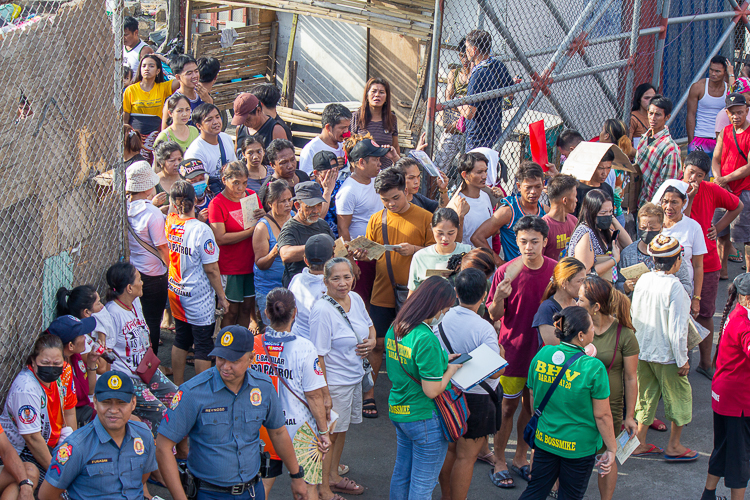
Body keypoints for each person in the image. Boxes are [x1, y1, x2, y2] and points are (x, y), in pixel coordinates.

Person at [156, 325, 309, 500]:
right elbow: (163, 447)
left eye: (234, 360)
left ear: (251, 358)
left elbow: (278, 432)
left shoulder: (264, 387)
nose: (225, 366)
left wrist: (296, 476)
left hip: (252, 491)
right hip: (209, 494)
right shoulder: (193, 392)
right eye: (221, 358)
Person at [354, 167, 435, 418]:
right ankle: (369, 394)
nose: (391, 204)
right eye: (385, 200)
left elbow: (438, 252)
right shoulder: (377, 219)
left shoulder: (424, 217)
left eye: (395, 198)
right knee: (377, 343)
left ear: (407, 190)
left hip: (414, 294)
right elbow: (371, 255)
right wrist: (361, 254)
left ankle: (417, 395)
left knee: (413, 344)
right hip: (382, 290)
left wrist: (415, 249)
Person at [486, 215, 556, 488]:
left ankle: (520, 457)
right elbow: (493, 313)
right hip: (512, 351)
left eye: (535, 242)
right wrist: (500, 297)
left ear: (545, 242)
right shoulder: (505, 272)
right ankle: (499, 459)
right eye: (524, 241)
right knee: (507, 408)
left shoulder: (555, 271)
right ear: (516, 241)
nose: (529, 247)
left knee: (531, 407)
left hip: (542, 353)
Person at [518, 306, 616, 500]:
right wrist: (612, 448)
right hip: (578, 448)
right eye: (591, 326)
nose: (594, 330)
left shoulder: (542, 355)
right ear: (581, 335)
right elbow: (602, 415)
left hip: (545, 440)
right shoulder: (593, 367)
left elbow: (533, 397)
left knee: (535, 491)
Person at [384, 276, 461, 500]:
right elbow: (432, 390)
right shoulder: (425, 337)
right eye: (445, 309)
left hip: (399, 410)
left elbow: (410, 363)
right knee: (422, 486)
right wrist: (451, 370)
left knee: (402, 474)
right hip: (424, 418)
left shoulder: (396, 326)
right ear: (434, 307)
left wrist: (441, 360)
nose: (444, 314)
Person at [251, 288, 330, 499]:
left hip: (262, 428)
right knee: (307, 488)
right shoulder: (305, 348)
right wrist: (323, 431)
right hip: (300, 430)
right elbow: (314, 396)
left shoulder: (253, 345)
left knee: (261, 487)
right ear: (294, 313)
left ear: (266, 314)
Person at [309, 258, 376, 499]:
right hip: (335, 384)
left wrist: (371, 342)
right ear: (325, 281)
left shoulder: (356, 299)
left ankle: (333, 475)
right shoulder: (322, 311)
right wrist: (324, 394)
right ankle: (323, 489)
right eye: (335, 278)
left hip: (353, 378)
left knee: (341, 430)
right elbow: (318, 356)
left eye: (347, 277)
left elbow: (370, 327)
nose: (342, 283)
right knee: (328, 436)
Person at [437, 269, 505, 500]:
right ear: (485, 295)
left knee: (450, 451)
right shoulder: (483, 327)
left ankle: (446, 496)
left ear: (456, 291)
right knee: (467, 457)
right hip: (477, 398)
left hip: (447, 392)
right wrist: (502, 352)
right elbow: (496, 372)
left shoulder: (441, 318)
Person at [38, 371, 157, 500]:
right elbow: (47, 495)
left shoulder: (143, 434)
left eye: (121, 402)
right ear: (95, 402)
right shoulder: (76, 446)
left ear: (133, 403)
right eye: (106, 402)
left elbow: (142, 478)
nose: (113, 410)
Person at [630, 235, 697, 461]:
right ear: (677, 260)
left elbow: (634, 315)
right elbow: (678, 330)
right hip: (667, 355)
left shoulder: (643, 280)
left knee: (646, 397)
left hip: (642, 351)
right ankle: (674, 446)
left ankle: (639, 442)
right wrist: (683, 359)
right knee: (679, 397)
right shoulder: (675, 287)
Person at [103, 262, 182, 442]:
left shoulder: (135, 302)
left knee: (180, 399)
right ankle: (161, 453)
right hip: (127, 378)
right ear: (129, 288)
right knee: (162, 414)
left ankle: (181, 449)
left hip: (146, 370)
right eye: (139, 279)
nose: (143, 283)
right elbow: (106, 353)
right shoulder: (113, 313)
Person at [578, 276, 639, 500]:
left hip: (609, 409)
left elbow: (631, 378)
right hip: (579, 407)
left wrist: (630, 416)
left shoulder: (625, 335)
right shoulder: (577, 327)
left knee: (608, 457)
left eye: (581, 300)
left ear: (595, 307)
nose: (576, 303)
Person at [684, 151, 743, 379]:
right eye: (691, 173)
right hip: (680, 264)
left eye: (700, 176)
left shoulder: (711, 190)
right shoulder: (675, 191)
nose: (694, 180)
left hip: (708, 263)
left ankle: (706, 363)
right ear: (683, 169)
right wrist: (688, 197)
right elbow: (683, 221)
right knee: (683, 315)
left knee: (706, 312)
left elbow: (736, 205)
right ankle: (683, 363)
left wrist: (718, 227)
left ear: (706, 177)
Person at [167, 181, 229, 384]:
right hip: (198, 296)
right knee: (203, 345)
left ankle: (177, 386)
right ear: (195, 200)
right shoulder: (201, 230)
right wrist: (221, 296)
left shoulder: (171, 222)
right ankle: (201, 390)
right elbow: (211, 269)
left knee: (181, 339)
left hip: (176, 292)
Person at [0, 334, 76, 480]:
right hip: (24, 451)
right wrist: (56, 473)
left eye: (56, 363)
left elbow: (69, 412)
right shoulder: (26, 389)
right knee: (61, 484)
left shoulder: (60, 377)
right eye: (45, 362)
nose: (51, 368)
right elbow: (32, 439)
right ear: (34, 362)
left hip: (50, 445)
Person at [702, 273, 750, 500]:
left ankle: (708, 494)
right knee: (740, 458)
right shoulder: (744, 324)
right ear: (746, 299)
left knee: (722, 447)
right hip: (738, 401)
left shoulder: (736, 314)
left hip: (724, 395)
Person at [208, 161, 265, 331]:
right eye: (236, 183)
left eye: (245, 182)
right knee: (230, 311)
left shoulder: (251, 196)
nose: (241, 188)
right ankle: (226, 346)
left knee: (247, 309)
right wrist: (251, 231)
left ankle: (242, 347)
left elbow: (261, 224)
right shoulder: (217, 204)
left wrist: (263, 216)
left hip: (250, 264)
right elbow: (220, 237)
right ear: (224, 180)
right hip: (230, 267)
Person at [337, 137, 391, 305]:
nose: (379, 163)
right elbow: (343, 229)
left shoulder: (378, 178)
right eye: (375, 160)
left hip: (380, 251)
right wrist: (351, 262)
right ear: (361, 162)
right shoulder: (348, 191)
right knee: (361, 301)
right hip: (361, 256)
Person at [126, 161, 170, 353]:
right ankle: (152, 365)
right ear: (148, 188)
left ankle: (140, 361)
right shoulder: (152, 213)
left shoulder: (126, 209)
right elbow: (162, 247)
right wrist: (172, 269)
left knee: (139, 318)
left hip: (134, 270)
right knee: (153, 321)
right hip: (154, 274)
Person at [472, 162, 546, 264]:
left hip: (538, 272)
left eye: (537, 186)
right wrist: (500, 264)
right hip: (515, 275)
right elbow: (477, 237)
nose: (533, 191)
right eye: (528, 187)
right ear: (519, 186)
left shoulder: (545, 211)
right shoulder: (509, 211)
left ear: (543, 184)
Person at [615, 202, 693, 299]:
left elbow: (687, 286)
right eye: (643, 228)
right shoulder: (628, 254)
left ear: (661, 227)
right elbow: (617, 285)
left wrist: (667, 287)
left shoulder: (671, 250)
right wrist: (626, 287)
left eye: (652, 228)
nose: (647, 231)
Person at [654, 182, 706, 317]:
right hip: (656, 291)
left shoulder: (693, 227)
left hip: (683, 291)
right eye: (665, 201)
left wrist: (696, 298)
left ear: (684, 203)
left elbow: (698, 265)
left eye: (674, 202)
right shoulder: (654, 225)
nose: (668, 207)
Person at [712, 93, 750, 276]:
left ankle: (748, 277)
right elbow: (716, 160)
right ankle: (722, 271)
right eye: (733, 113)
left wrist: (724, 180)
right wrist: (719, 180)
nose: (737, 116)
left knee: (746, 237)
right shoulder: (726, 132)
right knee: (721, 233)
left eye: (740, 112)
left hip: (744, 190)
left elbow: (749, 167)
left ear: (747, 111)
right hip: (724, 190)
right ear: (727, 113)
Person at [45, 316, 102, 429]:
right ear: (71, 345)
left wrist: (91, 362)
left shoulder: (75, 357)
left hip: (84, 410)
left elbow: (89, 391)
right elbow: (65, 413)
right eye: (81, 335)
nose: (85, 338)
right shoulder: (56, 370)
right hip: (70, 418)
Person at [460, 29, 513, 150]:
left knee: (475, 167)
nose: (465, 51)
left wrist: (459, 103)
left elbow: (469, 113)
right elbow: (510, 92)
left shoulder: (478, 74)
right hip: (494, 131)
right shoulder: (498, 65)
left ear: (474, 50)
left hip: (477, 137)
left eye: (467, 47)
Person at [278, 181, 336, 286]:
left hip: (323, 284)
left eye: (319, 205)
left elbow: (335, 248)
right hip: (301, 286)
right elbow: (285, 254)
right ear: (297, 205)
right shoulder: (290, 228)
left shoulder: (322, 224)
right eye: (310, 206)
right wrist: (316, 247)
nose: (316, 210)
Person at [123, 54, 179, 162]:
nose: (147, 69)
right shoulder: (130, 90)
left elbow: (180, 76)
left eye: (151, 66)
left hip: (155, 135)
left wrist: (164, 59)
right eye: (143, 66)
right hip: (135, 137)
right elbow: (125, 117)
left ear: (158, 71)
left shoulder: (163, 88)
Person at [567, 189, 631, 282]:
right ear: (591, 212)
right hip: (590, 291)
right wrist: (614, 260)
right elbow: (585, 273)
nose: (607, 215)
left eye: (610, 212)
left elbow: (629, 246)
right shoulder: (585, 234)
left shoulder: (603, 230)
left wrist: (612, 219)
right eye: (603, 213)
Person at [253, 179, 292, 324]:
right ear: (270, 203)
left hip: (290, 286)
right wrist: (274, 252)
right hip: (269, 289)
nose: (288, 204)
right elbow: (260, 263)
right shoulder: (262, 227)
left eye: (289, 199)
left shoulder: (293, 217)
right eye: (282, 201)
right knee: (274, 329)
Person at [408, 208, 471, 291]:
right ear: (432, 228)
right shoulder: (420, 257)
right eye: (440, 233)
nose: (445, 238)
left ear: (458, 229)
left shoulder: (468, 252)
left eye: (451, 233)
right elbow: (413, 294)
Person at [636, 95, 682, 206]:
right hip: (639, 202)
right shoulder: (644, 138)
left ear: (667, 117)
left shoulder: (670, 149)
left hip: (655, 207)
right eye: (650, 113)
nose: (653, 118)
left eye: (658, 114)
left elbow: (666, 187)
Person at [184, 103, 237, 196]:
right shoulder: (195, 152)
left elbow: (235, 167)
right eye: (209, 120)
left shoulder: (226, 138)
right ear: (199, 126)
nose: (216, 122)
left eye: (217, 117)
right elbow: (199, 183)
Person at [434, 37, 471, 173]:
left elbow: (473, 108)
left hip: (469, 131)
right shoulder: (454, 74)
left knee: (468, 170)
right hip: (453, 128)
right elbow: (448, 102)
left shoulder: (476, 75)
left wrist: (459, 102)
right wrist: (463, 103)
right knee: (438, 167)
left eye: (467, 56)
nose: (465, 60)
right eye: (462, 56)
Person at [533, 256, 586, 347]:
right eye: (580, 281)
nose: (583, 285)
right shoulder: (548, 309)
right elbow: (555, 346)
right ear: (564, 283)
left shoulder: (579, 303)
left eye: (584, 280)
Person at [289, 234, 335, 340]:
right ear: (332, 259)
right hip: (323, 343)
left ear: (305, 260)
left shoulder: (296, 279)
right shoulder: (332, 287)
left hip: (297, 338)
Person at [350, 77, 400, 168]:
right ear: (367, 95)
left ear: (386, 97)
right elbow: (350, 147)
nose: (377, 95)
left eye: (381, 92)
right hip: (363, 173)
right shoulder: (356, 117)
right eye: (373, 91)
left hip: (386, 173)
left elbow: (395, 147)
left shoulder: (392, 119)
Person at [687, 55, 729, 157]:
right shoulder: (698, 87)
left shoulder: (729, 89)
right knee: (697, 171)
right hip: (700, 137)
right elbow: (690, 115)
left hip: (721, 139)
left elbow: (735, 103)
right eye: (711, 70)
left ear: (724, 73)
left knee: (719, 173)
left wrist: (731, 74)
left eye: (718, 71)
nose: (713, 74)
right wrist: (691, 142)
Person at [160, 54, 212, 129]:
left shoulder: (203, 95)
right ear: (178, 77)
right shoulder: (172, 102)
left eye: (196, 71)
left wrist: (208, 101)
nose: (194, 76)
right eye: (189, 73)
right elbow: (165, 133)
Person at [257, 139, 315, 205]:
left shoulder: (303, 176)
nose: (290, 166)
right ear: (272, 165)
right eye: (283, 162)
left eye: (292, 159)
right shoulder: (268, 189)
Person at [454, 152, 494, 248]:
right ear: (465, 175)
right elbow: (454, 243)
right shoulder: (457, 202)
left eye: (485, 171)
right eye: (479, 172)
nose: (484, 176)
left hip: (486, 259)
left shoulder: (485, 196)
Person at [299, 103, 351, 175]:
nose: (346, 131)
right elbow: (305, 180)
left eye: (348, 127)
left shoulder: (344, 144)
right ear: (328, 127)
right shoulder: (311, 149)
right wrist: (331, 169)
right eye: (342, 128)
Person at [542, 174, 578, 260]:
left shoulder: (574, 221)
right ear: (564, 200)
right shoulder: (543, 227)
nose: (576, 200)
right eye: (575, 196)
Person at [312, 150, 348, 238]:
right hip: (321, 238)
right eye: (329, 172)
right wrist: (328, 190)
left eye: (336, 170)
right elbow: (318, 217)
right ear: (317, 173)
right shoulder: (310, 189)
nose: (334, 175)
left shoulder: (343, 185)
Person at [574, 148, 616, 218]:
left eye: (608, 168)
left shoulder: (608, 188)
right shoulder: (576, 190)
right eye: (601, 168)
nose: (605, 173)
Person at [153, 141, 184, 210]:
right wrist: (154, 205)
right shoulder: (154, 182)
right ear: (161, 162)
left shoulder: (185, 179)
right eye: (172, 160)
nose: (177, 163)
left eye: (179, 159)